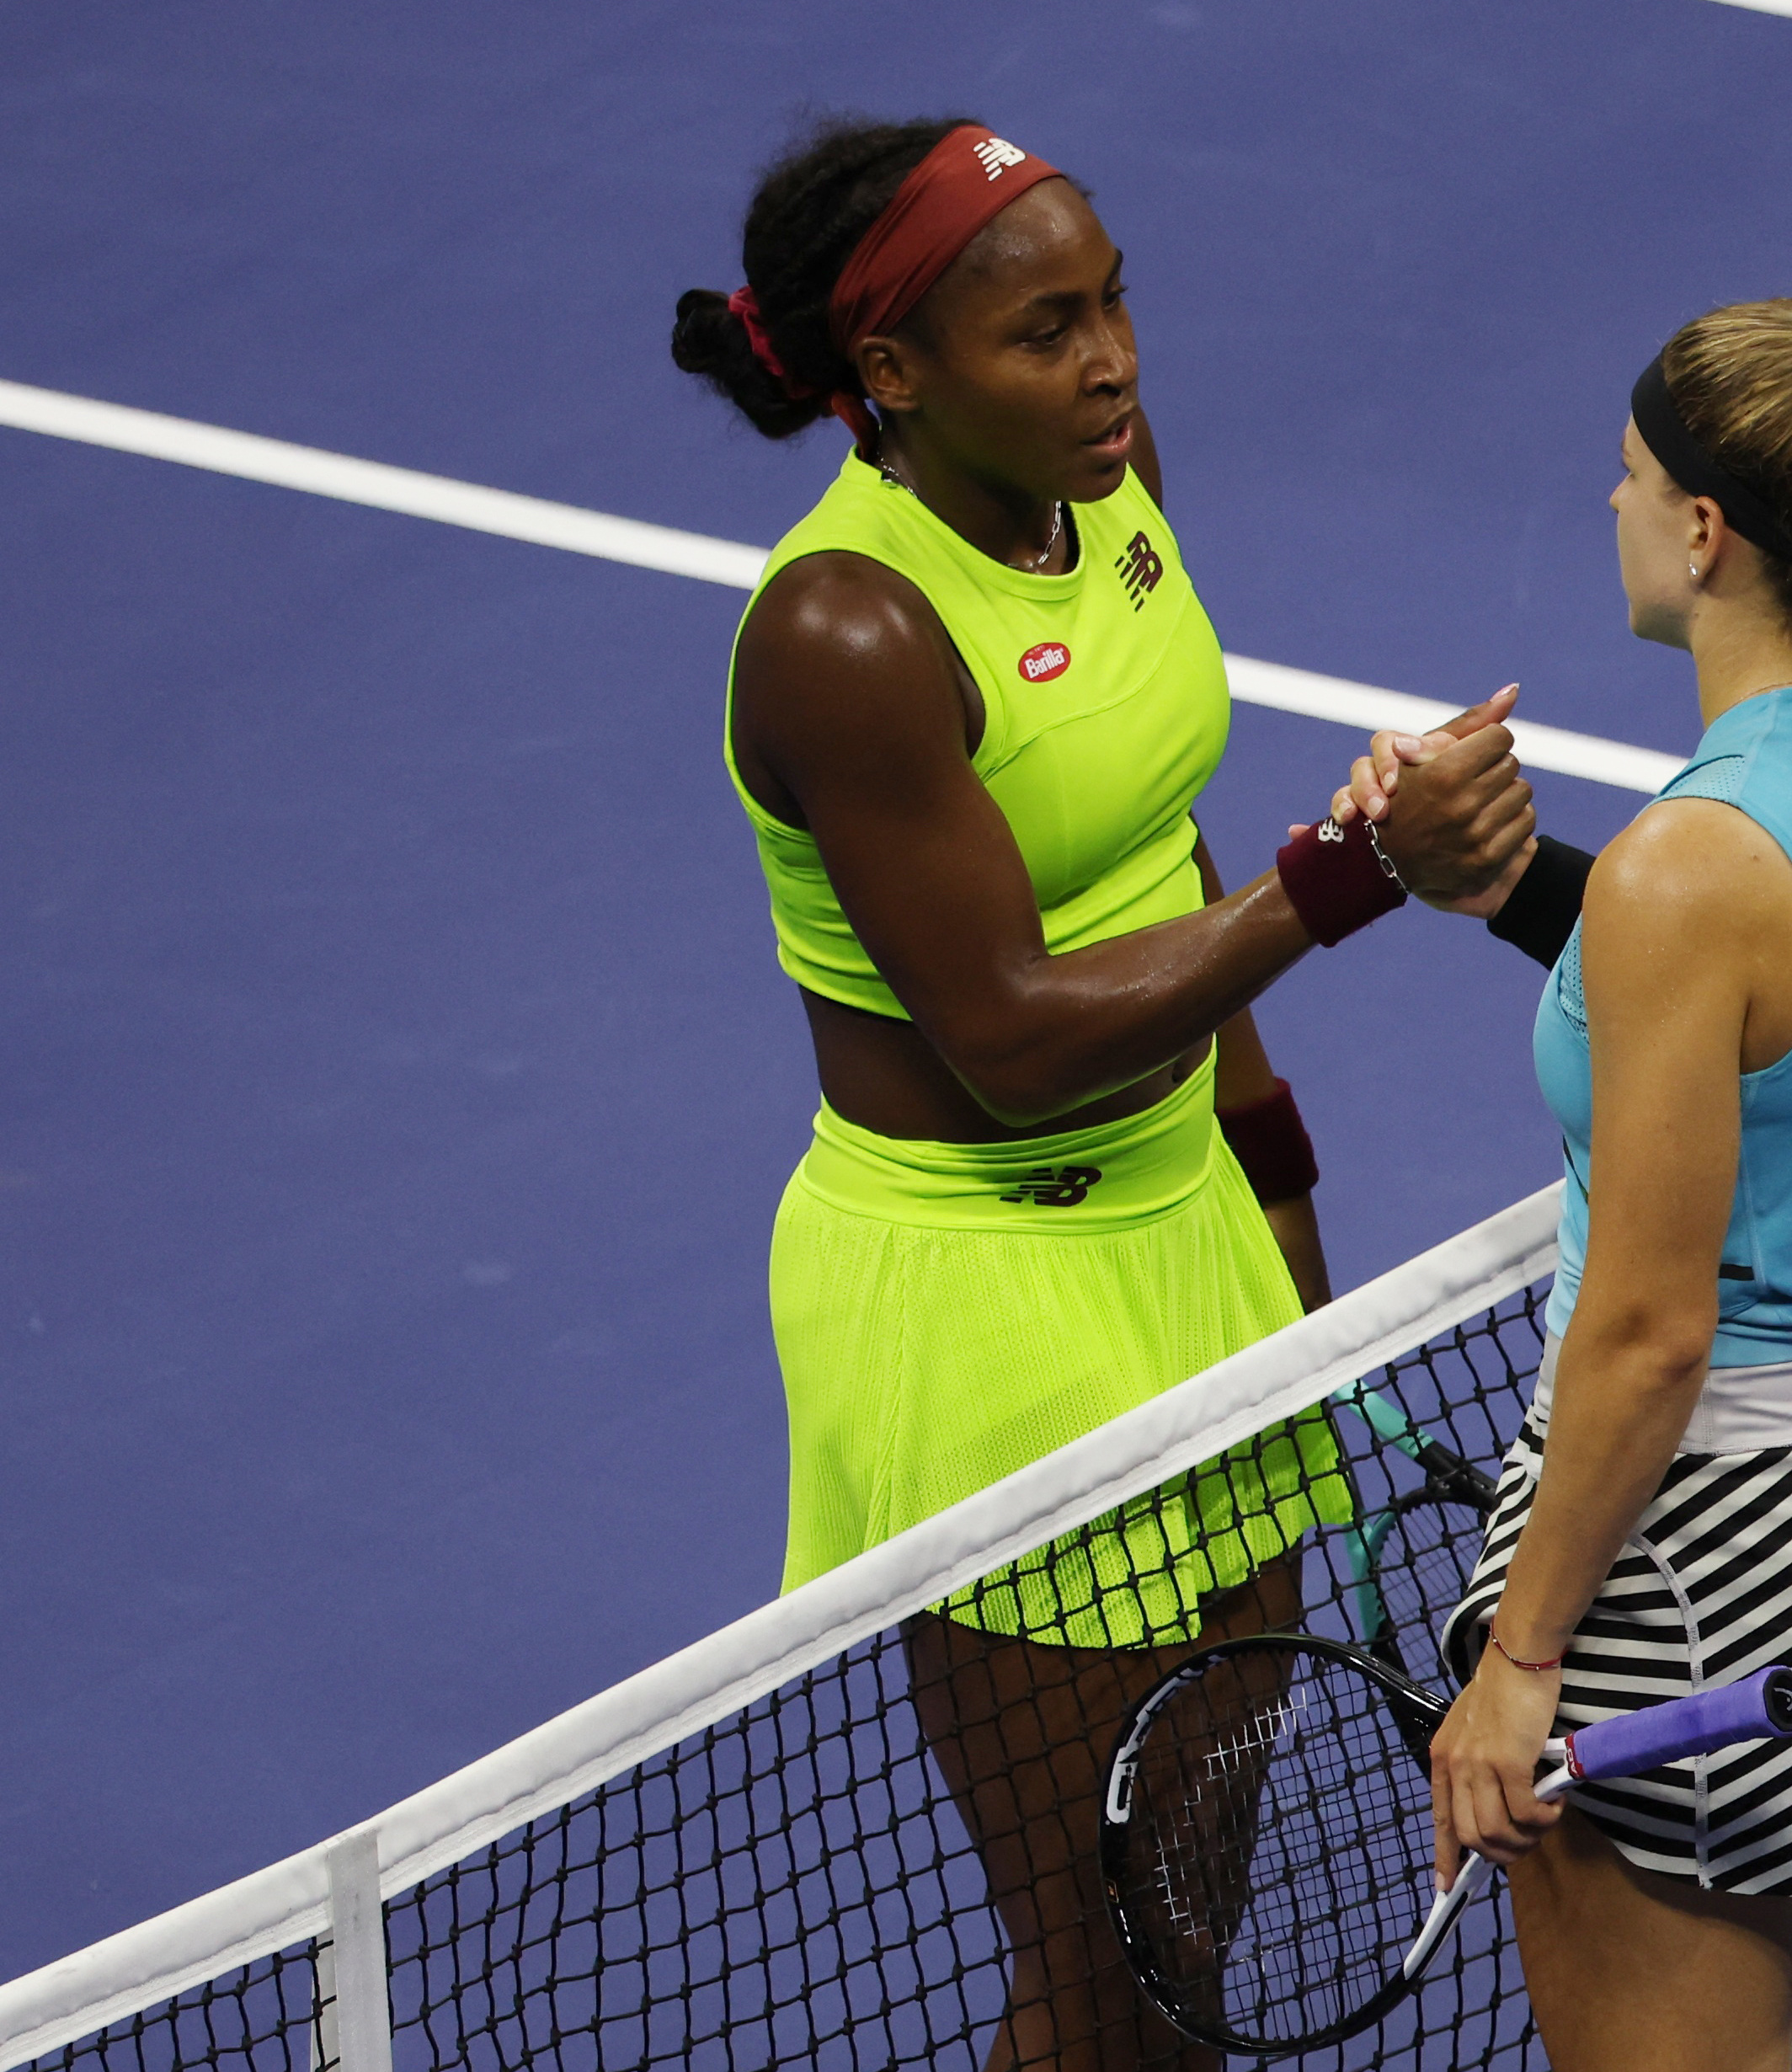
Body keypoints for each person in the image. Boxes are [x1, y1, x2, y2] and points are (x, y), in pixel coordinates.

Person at [669, 115, 1533, 2071]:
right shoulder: (844, 632)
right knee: (1104, 1971)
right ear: (890, 375)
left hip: (1191, 1233)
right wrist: (1347, 882)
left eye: (1113, 299)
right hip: (989, 1300)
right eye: (1042, 330)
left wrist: (1274, 1170)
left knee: (1191, 1929)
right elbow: (1016, 1033)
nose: (1112, 361)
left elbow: (1157, 837)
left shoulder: (1109, 481)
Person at [1395, 299, 1792, 2072]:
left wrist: (1521, 1657)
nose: (1607, 504)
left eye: (1627, 479)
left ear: (1702, 532)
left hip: (1695, 1533)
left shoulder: (1688, 869)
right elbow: (1773, 1012)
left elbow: (1647, 1337)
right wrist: (1513, 886)